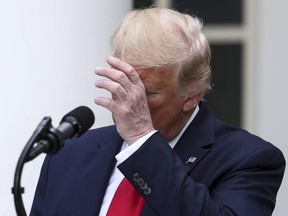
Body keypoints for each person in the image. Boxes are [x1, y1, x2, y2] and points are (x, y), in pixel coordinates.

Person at [30, 7, 285, 216]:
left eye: (147, 92)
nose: (128, 100)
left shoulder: (250, 159)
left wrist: (141, 139)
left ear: (191, 95)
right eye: (122, 83)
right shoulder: (70, 153)